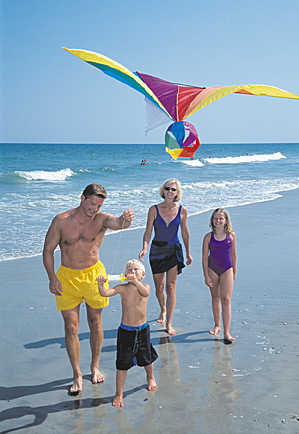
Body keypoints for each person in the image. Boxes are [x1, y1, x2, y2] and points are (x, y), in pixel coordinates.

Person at [43, 183, 134, 394]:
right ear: (82, 198)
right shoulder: (61, 221)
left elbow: (118, 223)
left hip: (95, 276)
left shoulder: (101, 219)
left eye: (99, 205)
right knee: (71, 328)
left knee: (95, 322)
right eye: (92, 203)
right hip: (67, 278)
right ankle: (76, 374)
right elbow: (48, 250)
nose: (94, 208)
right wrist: (51, 278)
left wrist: (126, 219)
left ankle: (94, 366)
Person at [97, 259, 158, 407]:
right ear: (124, 275)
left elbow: (145, 293)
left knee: (146, 358)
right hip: (126, 331)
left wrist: (136, 282)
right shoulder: (121, 288)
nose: (132, 272)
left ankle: (150, 376)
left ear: (142, 275)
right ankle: (119, 393)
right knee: (122, 363)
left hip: (142, 330)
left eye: (136, 270)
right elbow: (105, 293)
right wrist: (100, 283)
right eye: (129, 270)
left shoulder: (144, 286)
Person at [139, 179, 193, 335]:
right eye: (167, 188)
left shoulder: (182, 210)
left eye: (173, 189)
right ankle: (163, 309)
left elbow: (184, 232)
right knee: (159, 287)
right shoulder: (154, 210)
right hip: (156, 251)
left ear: (177, 193)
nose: (170, 191)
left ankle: (169, 322)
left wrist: (188, 252)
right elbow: (148, 231)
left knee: (170, 287)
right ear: (163, 191)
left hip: (173, 250)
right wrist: (144, 247)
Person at [202, 208, 237, 344]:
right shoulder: (208, 237)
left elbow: (233, 254)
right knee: (215, 297)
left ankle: (227, 332)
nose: (218, 221)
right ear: (212, 221)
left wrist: (234, 271)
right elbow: (205, 257)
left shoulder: (231, 236)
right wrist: (206, 275)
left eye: (221, 218)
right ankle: (217, 325)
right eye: (215, 219)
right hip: (212, 269)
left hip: (227, 269)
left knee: (226, 299)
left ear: (226, 220)